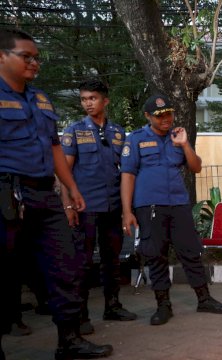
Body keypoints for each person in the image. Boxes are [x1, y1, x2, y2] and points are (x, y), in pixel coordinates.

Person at [0, 28, 113, 359]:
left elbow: (53, 150)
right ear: (2, 56)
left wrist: (71, 190)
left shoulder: (41, 99)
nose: (34, 62)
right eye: (27, 56)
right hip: (6, 193)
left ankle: (70, 340)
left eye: (37, 57)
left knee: (66, 265)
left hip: (44, 195)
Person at [120, 94, 222, 326]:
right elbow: (128, 175)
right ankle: (163, 305)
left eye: (168, 113)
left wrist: (184, 144)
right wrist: (127, 211)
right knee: (155, 255)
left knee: (191, 252)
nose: (166, 118)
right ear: (147, 116)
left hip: (179, 204)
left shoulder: (177, 137)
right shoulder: (136, 139)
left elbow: (196, 167)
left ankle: (204, 299)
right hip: (149, 206)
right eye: (159, 115)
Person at [60, 79, 137, 335]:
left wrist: (127, 208)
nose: (87, 103)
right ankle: (80, 316)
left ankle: (112, 306)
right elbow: (64, 172)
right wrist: (68, 205)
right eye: (84, 99)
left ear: (105, 101)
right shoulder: (74, 131)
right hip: (85, 206)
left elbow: (124, 171)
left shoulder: (118, 132)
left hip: (112, 206)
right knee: (81, 263)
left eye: (92, 98)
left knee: (111, 259)